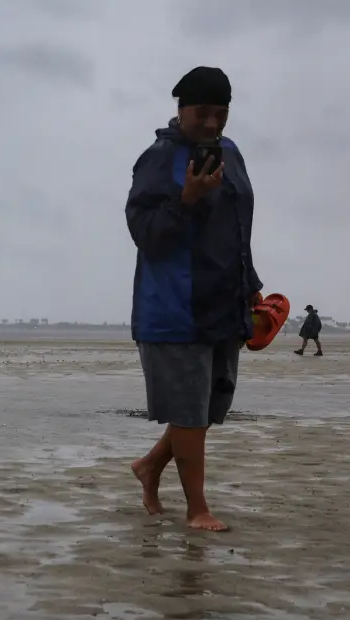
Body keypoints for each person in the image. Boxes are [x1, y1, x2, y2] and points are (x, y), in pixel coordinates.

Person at [125, 67, 262, 532]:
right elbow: (145, 233)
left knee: (204, 410)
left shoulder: (232, 154)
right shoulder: (157, 159)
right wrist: (187, 198)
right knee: (187, 411)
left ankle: (149, 467)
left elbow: (238, 229)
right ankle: (197, 509)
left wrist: (250, 284)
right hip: (174, 307)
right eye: (202, 112)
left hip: (223, 301)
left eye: (221, 113)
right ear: (181, 109)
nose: (211, 123)